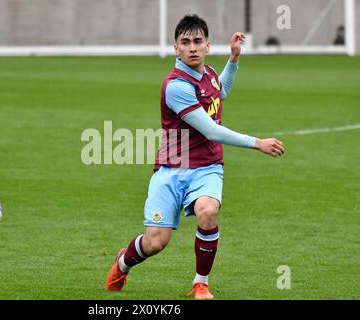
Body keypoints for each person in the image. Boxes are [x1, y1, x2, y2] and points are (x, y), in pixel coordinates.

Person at [106, 14, 284, 300]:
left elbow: (220, 92)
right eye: (185, 42)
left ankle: (201, 283)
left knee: (208, 211)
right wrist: (257, 143)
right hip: (171, 170)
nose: (192, 47)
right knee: (155, 242)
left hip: (207, 168)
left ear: (207, 46)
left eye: (197, 41)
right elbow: (211, 131)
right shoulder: (177, 86)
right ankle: (123, 262)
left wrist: (234, 59)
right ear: (176, 48)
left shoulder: (209, 73)